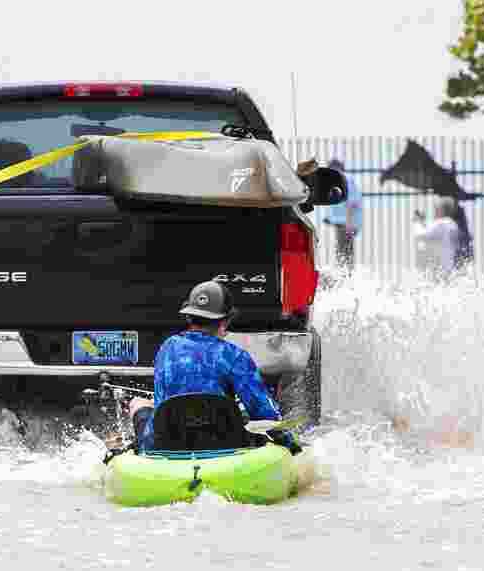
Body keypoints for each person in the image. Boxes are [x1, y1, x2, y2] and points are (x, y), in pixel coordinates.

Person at [126, 280, 298, 453]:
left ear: (188, 317)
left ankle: (143, 452)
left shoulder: (166, 348)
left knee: (138, 403)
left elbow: (160, 403)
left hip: (168, 444)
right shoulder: (234, 355)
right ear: (225, 321)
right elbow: (264, 412)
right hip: (223, 443)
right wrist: (290, 446)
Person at [322, 158, 362, 270]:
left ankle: (346, 278)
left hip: (346, 224)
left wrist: (349, 224)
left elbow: (351, 204)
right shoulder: (342, 180)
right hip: (343, 223)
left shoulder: (345, 181)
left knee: (344, 253)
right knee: (343, 253)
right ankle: (345, 276)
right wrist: (330, 218)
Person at [413, 196, 460, 281]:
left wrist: (418, 222)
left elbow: (422, 235)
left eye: (437, 208)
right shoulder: (452, 224)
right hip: (448, 264)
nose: (435, 210)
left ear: (442, 210)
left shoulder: (441, 223)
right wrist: (423, 222)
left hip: (439, 267)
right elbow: (434, 234)